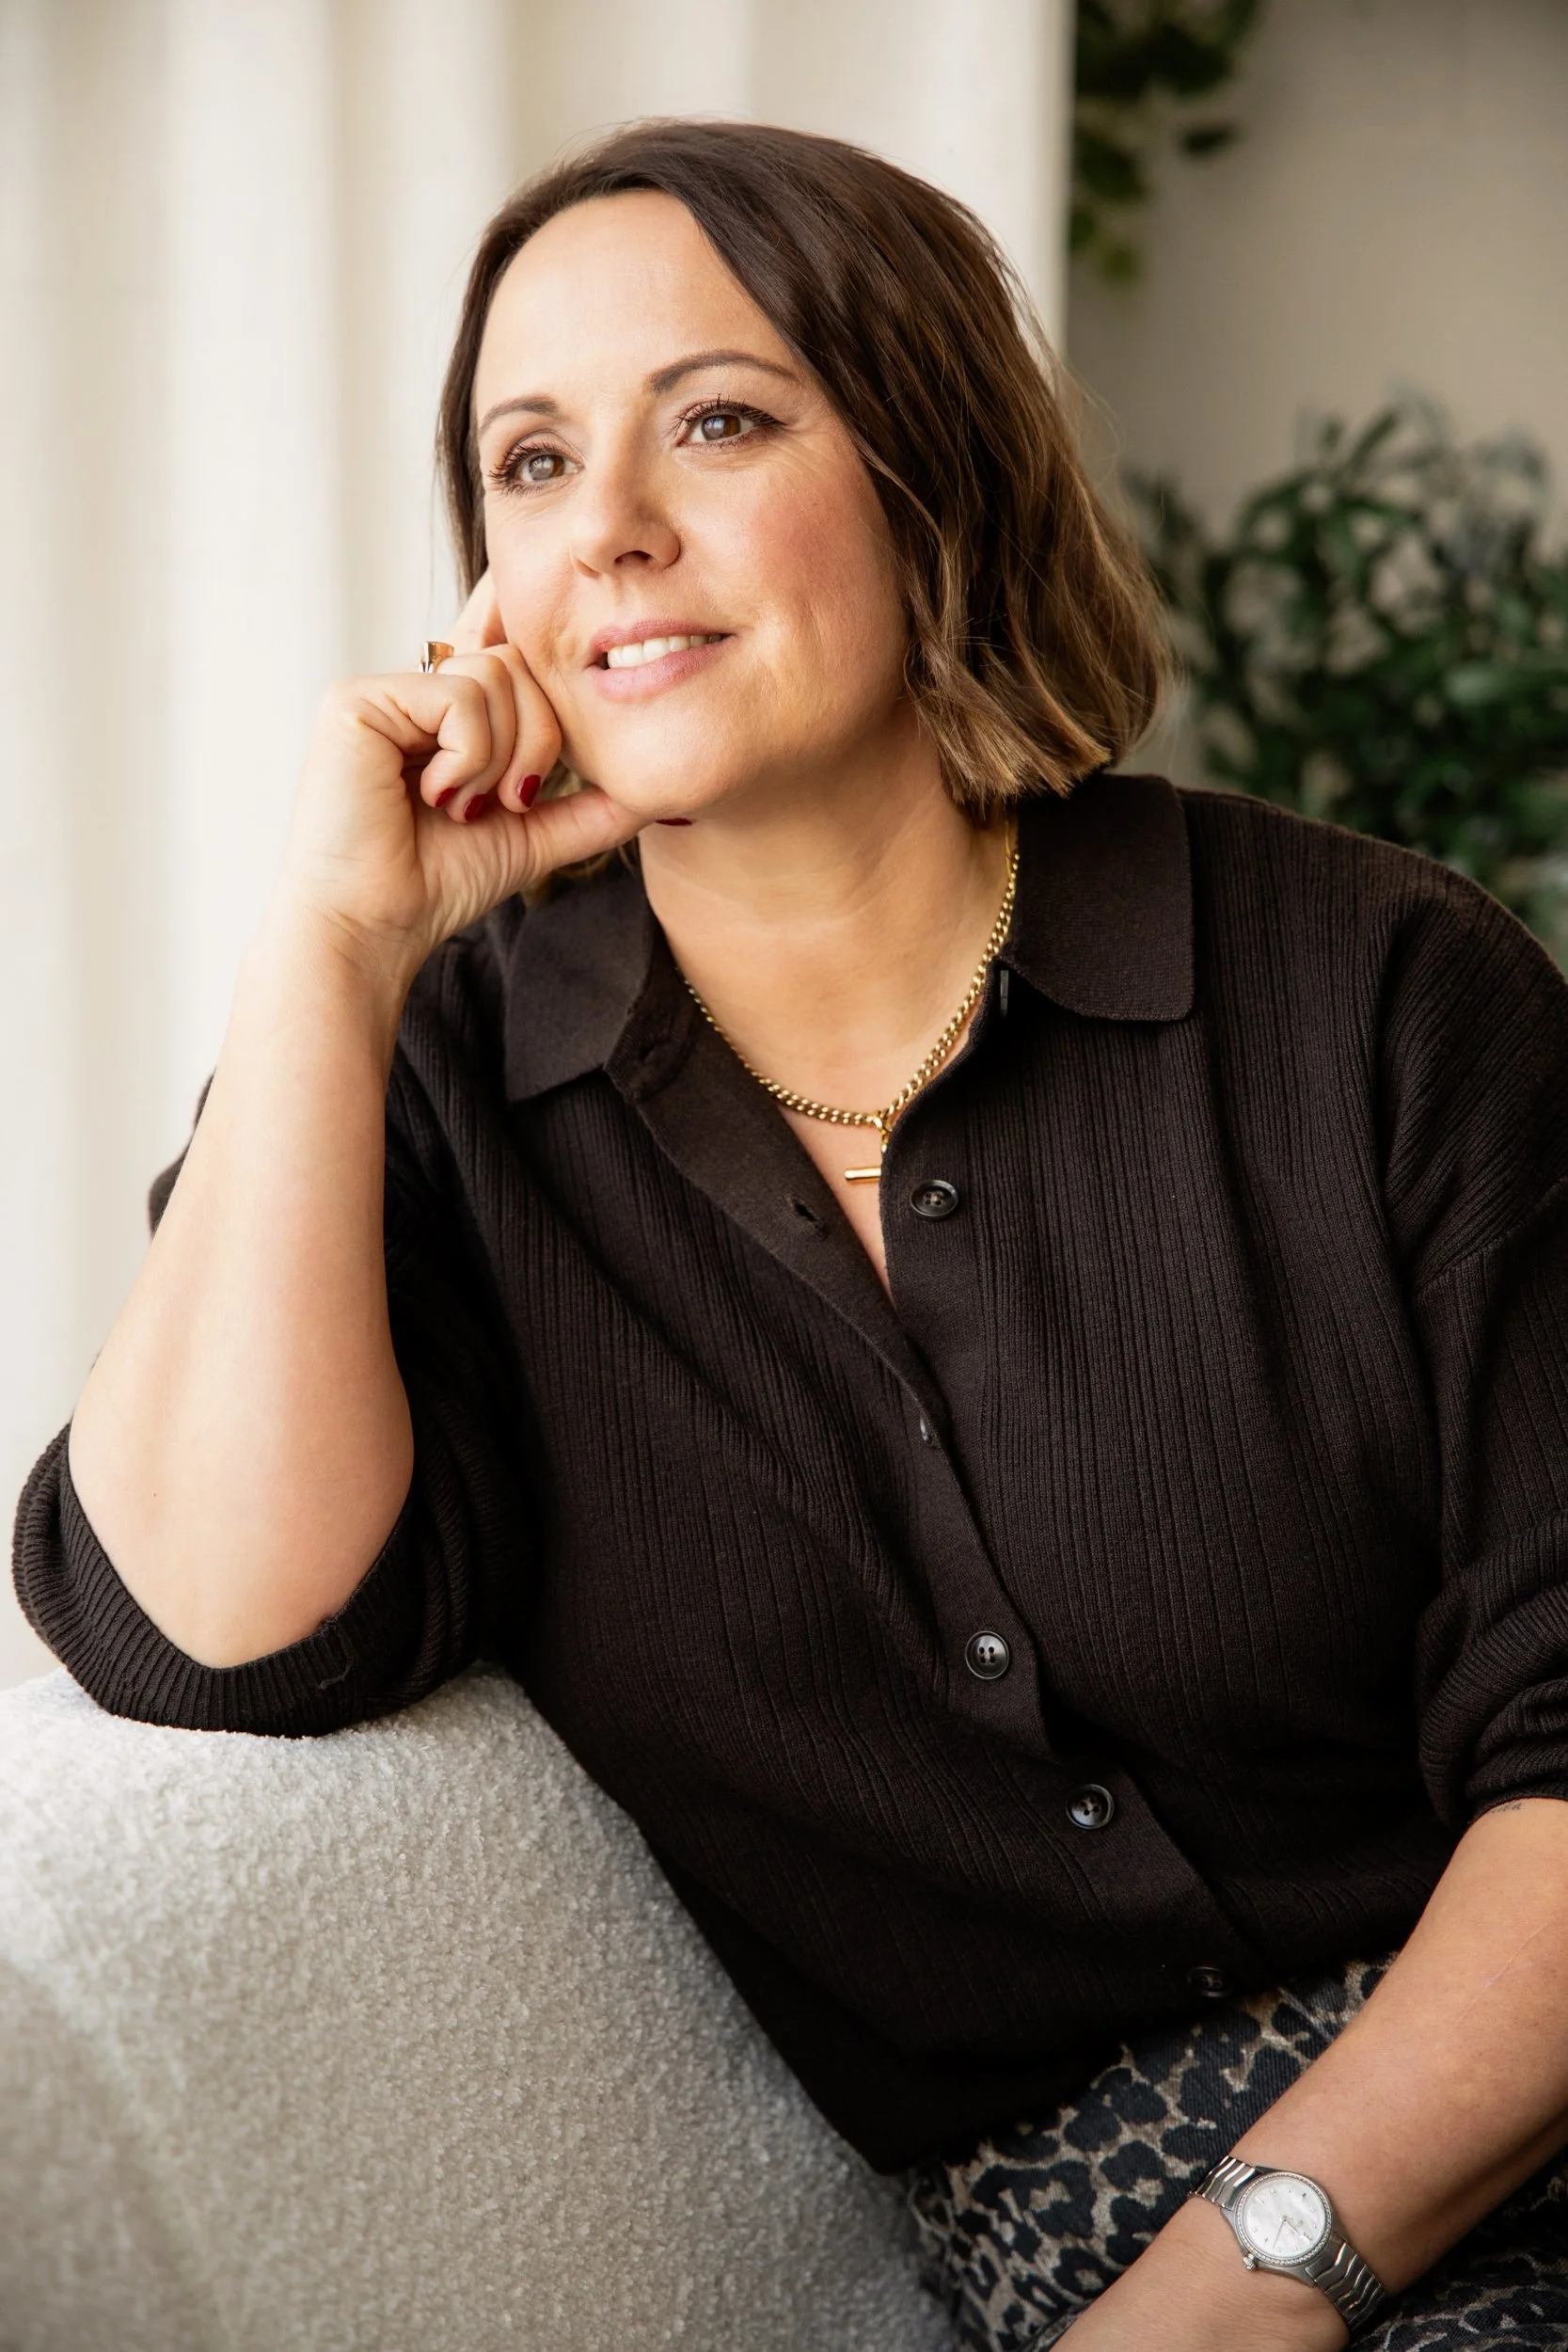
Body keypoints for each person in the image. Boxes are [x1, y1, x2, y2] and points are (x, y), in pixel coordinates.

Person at [14, 119, 1568, 2351]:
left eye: (718, 422)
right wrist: (335, 942)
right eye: (531, 463)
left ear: (934, 477)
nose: (609, 529)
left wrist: (1238, 2285)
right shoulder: (443, 1084)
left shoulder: (1383, 992)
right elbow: (209, 1633)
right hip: (1090, 2222)